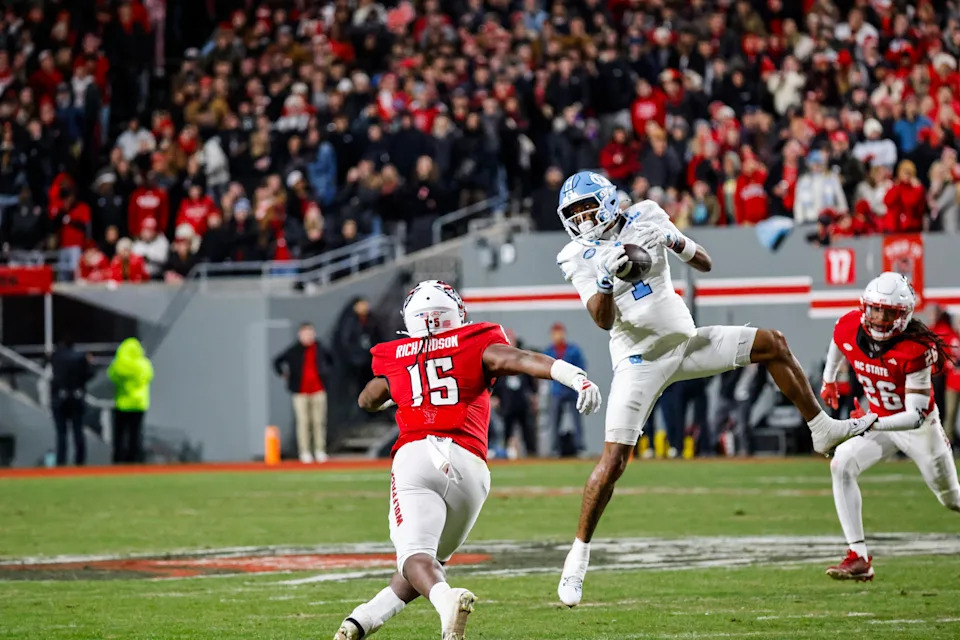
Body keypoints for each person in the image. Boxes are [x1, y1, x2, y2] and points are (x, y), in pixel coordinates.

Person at [552, 171, 876, 607]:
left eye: (587, 206)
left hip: (687, 344)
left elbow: (704, 263)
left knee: (773, 343)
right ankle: (578, 557)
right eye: (573, 212)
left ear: (608, 200)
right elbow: (603, 319)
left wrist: (672, 238)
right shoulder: (576, 254)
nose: (582, 217)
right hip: (638, 362)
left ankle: (820, 428)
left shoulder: (646, 213)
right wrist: (607, 279)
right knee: (612, 463)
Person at [332, 280, 602, 640]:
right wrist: (575, 377)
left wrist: (399, 392)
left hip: (418, 456)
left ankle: (447, 602)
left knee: (415, 559)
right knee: (427, 565)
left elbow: (367, 399)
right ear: (454, 314)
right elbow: (520, 360)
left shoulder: (395, 355)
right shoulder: (474, 342)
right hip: (471, 470)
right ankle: (361, 622)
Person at [820, 273, 960, 580]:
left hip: (918, 430)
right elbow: (838, 342)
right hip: (879, 421)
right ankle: (859, 557)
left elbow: (916, 415)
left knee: (952, 500)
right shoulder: (849, 324)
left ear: (904, 315)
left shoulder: (915, 348)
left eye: (889, 312)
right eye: (875, 309)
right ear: (865, 307)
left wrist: (870, 422)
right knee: (841, 465)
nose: (880, 317)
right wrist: (829, 378)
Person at [272, 323, 333, 464]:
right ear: (300, 335)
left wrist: (326, 374)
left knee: (319, 422)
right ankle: (304, 452)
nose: (308, 336)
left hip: (318, 390)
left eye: (310, 333)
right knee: (303, 423)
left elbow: (332, 361)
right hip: (300, 392)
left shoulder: (320, 348)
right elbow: (277, 361)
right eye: (305, 333)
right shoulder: (294, 351)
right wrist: (284, 374)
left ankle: (319, 450)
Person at [491, 330, 539, 458]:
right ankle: (505, 454)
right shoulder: (499, 358)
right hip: (507, 402)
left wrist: (534, 394)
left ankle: (531, 454)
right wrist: (495, 395)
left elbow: (530, 377)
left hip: (522, 401)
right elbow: (495, 378)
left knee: (527, 430)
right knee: (506, 430)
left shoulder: (521, 355)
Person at [107, 338, 154, 463]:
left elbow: (111, 375)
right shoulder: (144, 364)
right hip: (139, 404)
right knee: (135, 435)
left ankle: (118, 460)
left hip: (122, 403)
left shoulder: (119, 364)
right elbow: (149, 376)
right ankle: (134, 461)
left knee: (119, 436)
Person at [544, 323, 587, 457]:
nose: (558, 336)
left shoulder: (573, 350)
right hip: (557, 389)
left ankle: (580, 447)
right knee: (555, 419)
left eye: (560, 332)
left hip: (572, 388)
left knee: (576, 420)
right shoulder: (549, 351)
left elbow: (582, 366)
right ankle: (555, 448)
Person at [49, 336, 93, 466]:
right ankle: (80, 461)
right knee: (78, 430)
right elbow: (88, 375)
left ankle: (61, 461)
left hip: (60, 398)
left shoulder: (55, 357)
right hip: (76, 396)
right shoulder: (80, 358)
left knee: (61, 433)